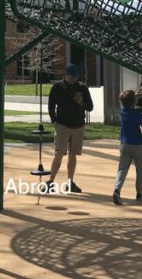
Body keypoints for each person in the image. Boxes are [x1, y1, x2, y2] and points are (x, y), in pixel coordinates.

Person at [46, 63, 93, 193]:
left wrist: (81, 102)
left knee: (73, 154)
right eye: (71, 76)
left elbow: (90, 107)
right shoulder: (57, 87)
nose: (73, 79)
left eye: (75, 77)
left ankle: (70, 182)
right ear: (66, 75)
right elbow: (51, 105)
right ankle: (51, 181)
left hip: (78, 126)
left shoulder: (82, 87)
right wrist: (54, 121)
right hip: (62, 125)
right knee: (59, 153)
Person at [113, 90, 142, 205]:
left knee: (122, 169)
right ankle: (139, 193)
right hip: (137, 145)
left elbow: (129, 102)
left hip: (124, 144)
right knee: (139, 170)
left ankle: (117, 190)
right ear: (133, 101)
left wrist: (135, 95)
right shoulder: (137, 114)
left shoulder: (123, 111)